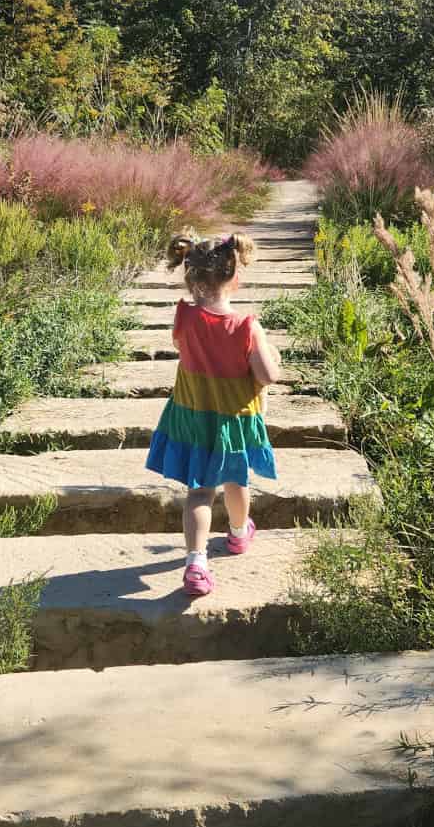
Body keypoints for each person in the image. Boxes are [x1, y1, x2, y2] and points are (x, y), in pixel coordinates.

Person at [145, 230, 283, 596]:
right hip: (233, 423)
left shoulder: (184, 318)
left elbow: (183, 344)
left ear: (190, 276)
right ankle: (238, 535)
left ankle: (196, 562)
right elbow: (267, 376)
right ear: (235, 277)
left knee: (199, 493)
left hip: (192, 417)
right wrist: (272, 354)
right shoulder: (246, 326)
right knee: (237, 482)